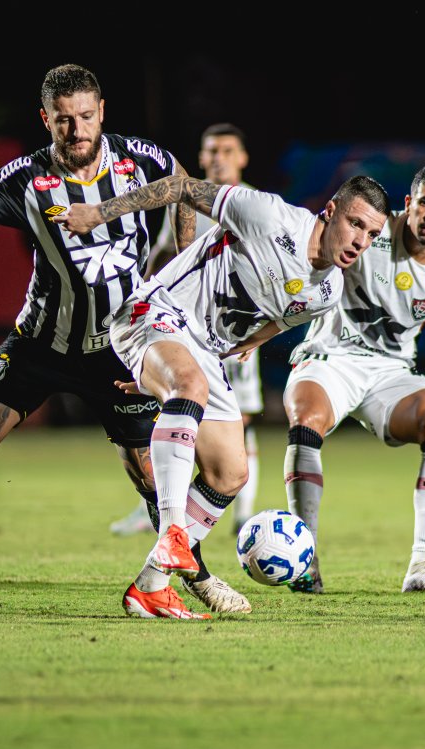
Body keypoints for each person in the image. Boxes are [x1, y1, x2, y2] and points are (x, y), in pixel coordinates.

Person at [0, 64, 251, 607]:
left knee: (156, 480)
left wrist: (180, 256)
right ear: (46, 119)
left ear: (101, 111)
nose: (77, 129)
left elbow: (184, 185)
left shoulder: (139, 160)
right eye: (63, 120)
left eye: (86, 116)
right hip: (42, 340)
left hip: (122, 347)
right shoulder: (26, 177)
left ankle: (193, 573)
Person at [56, 174, 390, 618]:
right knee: (189, 386)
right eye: (355, 224)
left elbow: (277, 320)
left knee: (232, 473)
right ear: (330, 211)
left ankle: (151, 585)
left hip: (200, 353)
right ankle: (173, 533)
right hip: (154, 312)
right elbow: (180, 188)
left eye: (372, 234)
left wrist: (169, 367)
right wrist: (99, 213)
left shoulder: (326, 290)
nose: (360, 241)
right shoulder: (268, 215)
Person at [282, 163, 425, 594]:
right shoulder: (370, 232)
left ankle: (422, 565)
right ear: (408, 205)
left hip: (391, 373)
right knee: (306, 419)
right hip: (330, 358)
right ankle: (307, 560)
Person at [110, 124, 264, 538]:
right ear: (199, 157)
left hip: (232, 331)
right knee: (178, 405)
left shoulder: (255, 206)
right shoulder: (189, 201)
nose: (218, 158)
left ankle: (242, 511)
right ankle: (164, 507)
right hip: (181, 322)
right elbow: (167, 251)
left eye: (228, 150)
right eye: (211, 150)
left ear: (243, 158)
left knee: (239, 419)